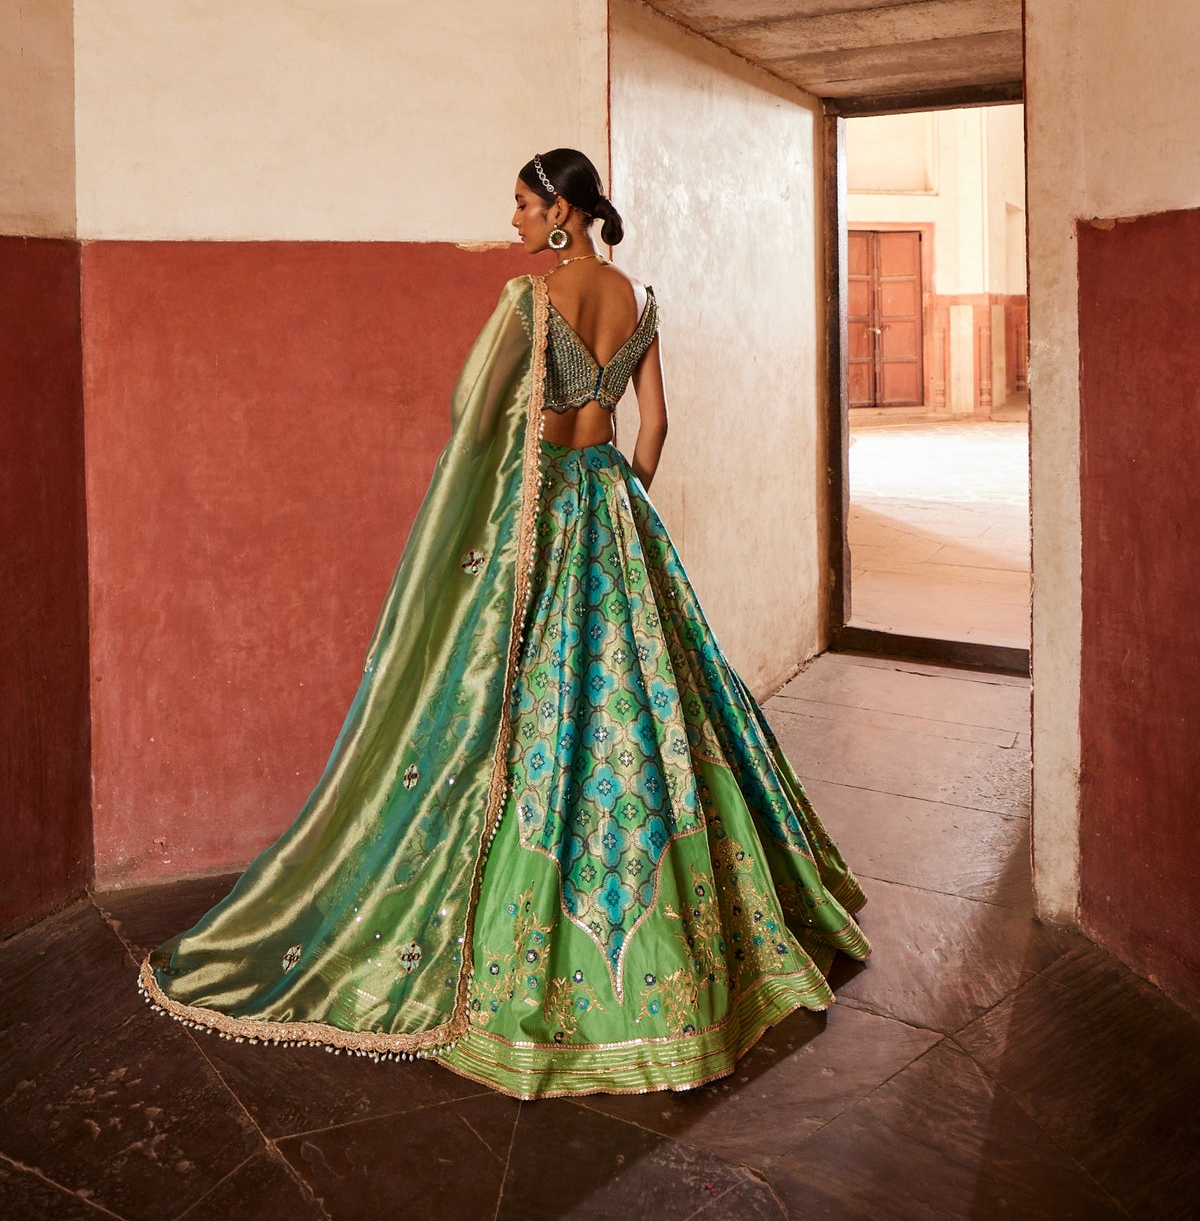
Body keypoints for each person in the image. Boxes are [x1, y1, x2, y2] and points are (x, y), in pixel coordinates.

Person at [140, 148, 869, 1097]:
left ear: (564, 210)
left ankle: (527, 960)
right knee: (662, 706)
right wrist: (621, 500)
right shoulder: (638, 304)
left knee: (540, 707)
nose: (517, 222)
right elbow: (656, 426)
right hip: (616, 507)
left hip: (546, 518)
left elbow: (472, 416)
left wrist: (510, 491)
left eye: (526, 207)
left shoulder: (529, 305)